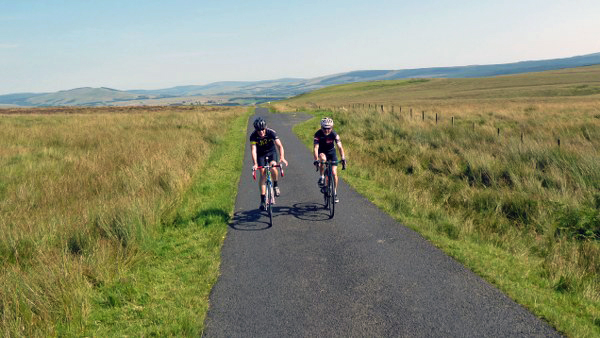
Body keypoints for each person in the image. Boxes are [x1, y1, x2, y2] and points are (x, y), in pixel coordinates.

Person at [250, 117, 288, 211]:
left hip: (271, 153)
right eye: (259, 130)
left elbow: (279, 146)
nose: (261, 132)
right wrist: (255, 163)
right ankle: (262, 200)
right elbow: (254, 150)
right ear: (256, 130)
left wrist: (282, 157)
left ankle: (275, 185)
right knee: (262, 174)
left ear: (265, 127)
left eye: (263, 129)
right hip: (261, 155)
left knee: (273, 167)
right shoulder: (253, 136)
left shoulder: (271, 132)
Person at [313, 117, 346, 203]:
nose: (327, 130)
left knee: (334, 173)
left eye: (329, 128)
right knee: (323, 159)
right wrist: (316, 159)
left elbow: (340, 147)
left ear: (332, 128)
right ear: (321, 127)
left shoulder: (334, 134)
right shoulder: (318, 134)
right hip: (322, 152)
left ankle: (334, 193)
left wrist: (343, 157)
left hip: (332, 153)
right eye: (325, 128)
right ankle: (322, 177)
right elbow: (316, 148)